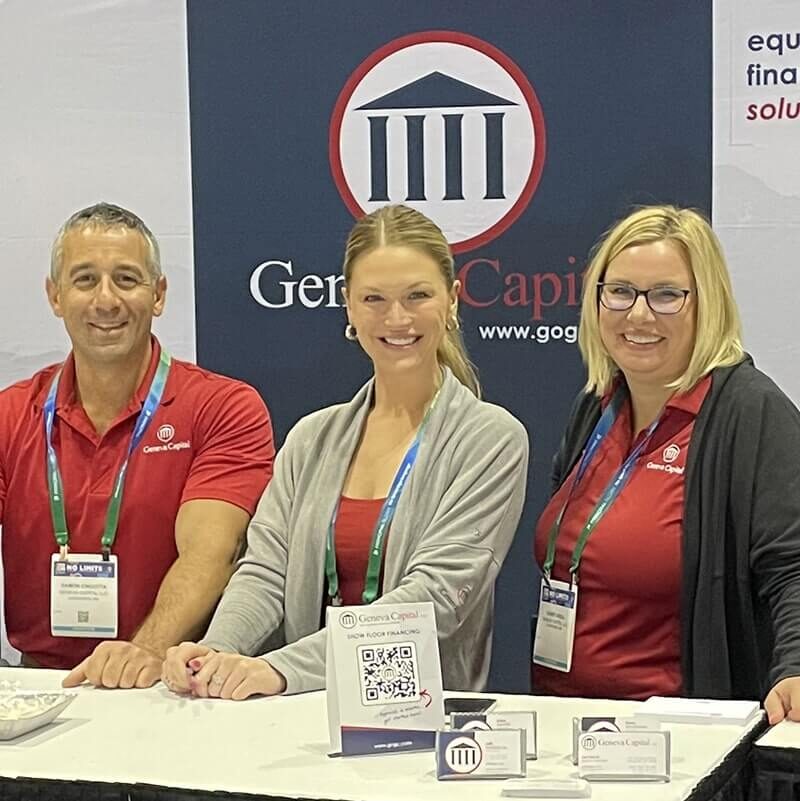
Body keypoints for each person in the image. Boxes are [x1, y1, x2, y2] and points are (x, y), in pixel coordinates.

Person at [162, 204, 529, 700]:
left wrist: (282, 670)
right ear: (349, 308)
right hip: (297, 719)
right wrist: (217, 652)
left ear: (453, 300)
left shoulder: (490, 439)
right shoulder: (311, 438)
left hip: (421, 728)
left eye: (417, 295)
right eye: (374, 298)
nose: (396, 318)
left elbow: (435, 603)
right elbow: (266, 571)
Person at [532, 205, 800, 724]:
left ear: (708, 304)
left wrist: (796, 665)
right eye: (621, 291)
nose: (638, 315)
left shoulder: (749, 414)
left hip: (680, 743)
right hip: (564, 732)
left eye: (666, 295)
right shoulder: (597, 408)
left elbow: (793, 565)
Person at [0, 202, 274, 689]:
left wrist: (145, 651)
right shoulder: (10, 414)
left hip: (176, 681)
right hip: (39, 685)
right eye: (85, 280)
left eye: (126, 279)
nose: (106, 300)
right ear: (55, 296)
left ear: (159, 294)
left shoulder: (223, 407)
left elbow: (210, 553)